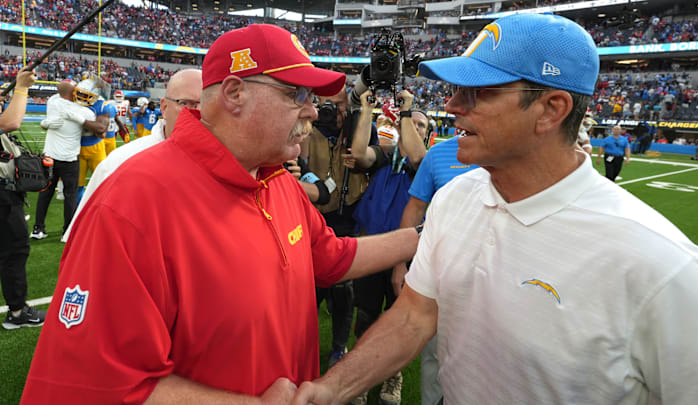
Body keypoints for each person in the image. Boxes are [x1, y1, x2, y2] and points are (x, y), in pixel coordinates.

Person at [292, 13, 698, 405]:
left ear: (551, 110)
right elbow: (414, 317)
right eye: (458, 90)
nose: (454, 106)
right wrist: (327, 391)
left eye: (479, 93)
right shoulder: (458, 199)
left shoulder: (667, 273)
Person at [22, 24, 420, 404]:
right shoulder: (133, 202)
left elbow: (330, 256)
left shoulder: (276, 180)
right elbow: (96, 383)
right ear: (234, 93)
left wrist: (421, 235)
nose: (312, 111)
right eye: (296, 93)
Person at [346, 90, 429, 405]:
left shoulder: (425, 164)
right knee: (366, 316)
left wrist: (407, 112)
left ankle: (392, 378)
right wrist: (366, 110)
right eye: (412, 123)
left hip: (405, 256)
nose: (415, 128)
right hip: (372, 246)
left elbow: (417, 156)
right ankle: (364, 377)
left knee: (397, 320)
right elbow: (358, 153)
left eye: (421, 126)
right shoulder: (386, 154)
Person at [61, 69, 202, 242]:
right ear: (164, 108)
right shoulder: (120, 161)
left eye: (206, 104)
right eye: (186, 103)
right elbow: (84, 236)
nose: (198, 112)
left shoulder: (231, 161)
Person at [390, 132, 479, 405]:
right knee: (434, 353)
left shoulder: (512, 153)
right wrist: (400, 262)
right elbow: (415, 207)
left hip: (491, 277)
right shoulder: (439, 154)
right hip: (442, 271)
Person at [301, 86, 377, 370]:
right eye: (329, 104)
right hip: (315, 218)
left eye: (342, 106)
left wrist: (360, 116)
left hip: (348, 218)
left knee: (344, 290)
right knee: (310, 288)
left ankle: (338, 348)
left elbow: (371, 154)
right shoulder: (308, 128)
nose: (336, 111)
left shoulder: (358, 129)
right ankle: (302, 342)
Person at [0, 67, 48, 329]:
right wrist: (21, 87)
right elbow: (10, 122)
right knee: (15, 251)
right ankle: (18, 313)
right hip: (2, 196)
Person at [30, 80, 108, 239]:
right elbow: (101, 132)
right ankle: (68, 230)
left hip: (49, 156)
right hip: (69, 158)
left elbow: (61, 92)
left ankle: (38, 228)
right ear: (74, 93)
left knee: (45, 193)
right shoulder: (86, 113)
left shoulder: (53, 101)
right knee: (70, 195)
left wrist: (45, 124)